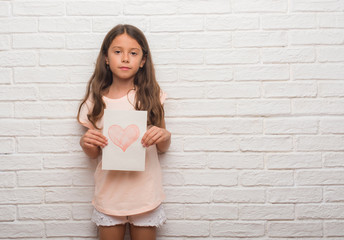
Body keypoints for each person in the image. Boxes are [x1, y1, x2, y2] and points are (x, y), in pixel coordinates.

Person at [77, 24, 171, 240]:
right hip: (110, 195)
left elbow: (164, 147)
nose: (126, 58)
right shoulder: (95, 101)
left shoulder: (152, 96)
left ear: (143, 61)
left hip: (145, 195)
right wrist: (86, 143)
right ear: (106, 59)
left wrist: (164, 136)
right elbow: (93, 154)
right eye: (118, 52)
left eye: (133, 53)